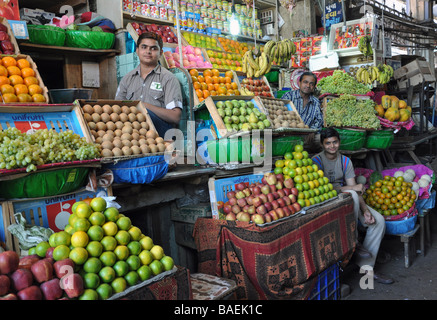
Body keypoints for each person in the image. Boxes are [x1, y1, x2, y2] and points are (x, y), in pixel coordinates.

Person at [312, 127, 394, 284]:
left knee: (378, 221)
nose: (332, 146)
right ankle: (354, 241)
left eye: (335, 142)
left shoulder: (345, 161)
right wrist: (350, 189)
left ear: (339, 142)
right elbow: (323, 190)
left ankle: (366, 267)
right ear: (323, 145)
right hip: (326, 200)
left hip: (348, 200)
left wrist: (365, 211)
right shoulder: (316, 161)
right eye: (328, 143)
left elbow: (355, 187)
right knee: (352, 195)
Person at [115, 32, 183, 138]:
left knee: (145, 114)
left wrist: (144, 106)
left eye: (153, 48)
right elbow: (116, 108)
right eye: (144, 47)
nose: (148, 51)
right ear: (137, 50)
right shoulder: (127, 79)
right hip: (131, 133)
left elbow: (175, 116)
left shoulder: (168, 78)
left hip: (160, 134)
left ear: (160, 53)